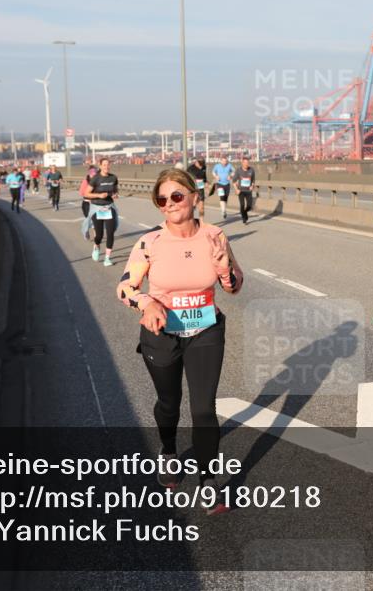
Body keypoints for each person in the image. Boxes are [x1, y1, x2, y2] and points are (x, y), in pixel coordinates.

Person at [116, 167, 244, 512]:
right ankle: (169, 451)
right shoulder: (150, 242)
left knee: (203, 408)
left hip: (205, 329)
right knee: (169, 404)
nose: (169, 204)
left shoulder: (215, 235)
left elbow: (233, 287)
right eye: (162, 199)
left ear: (194, 197)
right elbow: (125, 287)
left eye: (176, 196)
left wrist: (222, 265)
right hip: (161, 334)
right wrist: (147, 302)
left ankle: (208, 481)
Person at [80, 159, 119, 265]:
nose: (106, 167)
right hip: (97, 208)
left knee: (110, 233)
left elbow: (115, 190)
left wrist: (115, 195)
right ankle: (96, 247)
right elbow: (86, 193)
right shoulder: (95, 179)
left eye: (108, 164)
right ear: (100, 166)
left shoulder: (113, 178)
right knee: (99, 235)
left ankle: (107, 258)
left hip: (109, 208)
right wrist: (99, 195)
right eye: (104, 165)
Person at [233, 157, 256, 224]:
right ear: (242, 163)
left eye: (247, 163)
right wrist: (236, 189)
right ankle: (244, 218)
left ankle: (245, 212)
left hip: (248, 191)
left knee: (249, 206)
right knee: (242, 205)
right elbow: (234, 181)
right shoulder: (238, 170)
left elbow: (253, 180)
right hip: (241, 191)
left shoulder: (251, 170)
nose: (246, 164)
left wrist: (252, 186)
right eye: (245, 163)